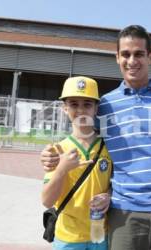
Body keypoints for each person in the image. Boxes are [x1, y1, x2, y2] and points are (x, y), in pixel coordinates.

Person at [41, 25, 151, 250]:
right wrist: (50, 156)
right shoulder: (105, 105)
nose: (132, 60)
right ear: (117, 58)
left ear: (150, 57)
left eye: (139, 54)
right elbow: (83, 136)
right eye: (126, 54)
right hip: (123, 212)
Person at [41, 76, 112, 250]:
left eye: (87, 104)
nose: (80, 110)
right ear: (64, 108)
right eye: (73, 104)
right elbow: (47, 201)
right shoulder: (57, 150)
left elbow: (115, 182)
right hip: (68, 238)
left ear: (96, 109)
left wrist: (109, 195)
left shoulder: (108, 147)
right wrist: (61, 170)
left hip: (99, 235)